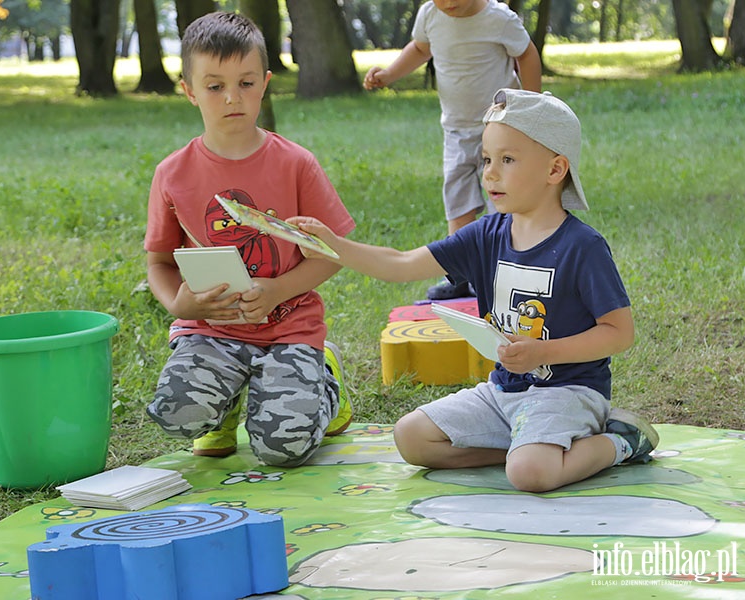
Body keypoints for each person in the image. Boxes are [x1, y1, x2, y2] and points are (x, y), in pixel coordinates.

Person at [289, 89, 659, 492]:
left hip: (568, 393)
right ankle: (525, 447)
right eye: (486, 159)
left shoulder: (583, 247)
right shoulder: (485, 234)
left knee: (529, 476)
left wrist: (543, 353)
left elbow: (619, 332)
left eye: (507, 159)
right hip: (504, 391)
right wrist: (334, 246)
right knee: (411, 438)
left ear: (555, 170)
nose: (490, 173)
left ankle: (619, 440)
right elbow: (401, 264)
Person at [143, 12, 354, 467]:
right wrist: (178, 305)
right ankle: (227, 397)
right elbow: (159, 261)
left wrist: (278, 289)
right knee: (175, 417)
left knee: (282, 449)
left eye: (246, 83)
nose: (231, 98)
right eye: (215, 86)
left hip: (288, 325)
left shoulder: (296, 164)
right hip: (211, 328)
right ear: (189, 90)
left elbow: (332, 253)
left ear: (265, 83)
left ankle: (326, 382)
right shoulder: (172, 174)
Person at [363, 0, 542, 301]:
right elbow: (421, 49)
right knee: (458, 203)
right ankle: (460, 276)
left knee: (503, 201)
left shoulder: (499, 18)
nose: (447, 3)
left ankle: (508, 271)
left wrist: (534, 105)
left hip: (500, 128)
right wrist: (390, 74)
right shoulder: (430, 15)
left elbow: (526, 54)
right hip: (456, 131)